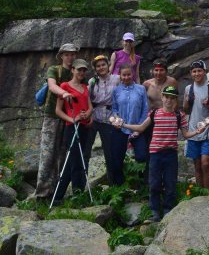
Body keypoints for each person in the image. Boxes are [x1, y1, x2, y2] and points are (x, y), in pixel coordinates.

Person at [118, 85, 206, 222]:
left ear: (176, 100)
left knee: (170, 183)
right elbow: (141, 128)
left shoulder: (179, 115)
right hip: (155, 154)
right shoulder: (154, 113)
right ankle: (154, 211)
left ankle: (167, 210)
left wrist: (197, 131)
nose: (169, 100)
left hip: (170, 154)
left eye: (172, 98)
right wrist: (124, 125)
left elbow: (186, 134)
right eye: (166, 97)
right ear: (162, 97)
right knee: (154, 183)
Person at [35, 42, 78, 200]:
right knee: (47, 154)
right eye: (67, 54)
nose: (70, 57)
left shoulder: (76, 72)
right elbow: (52, 86)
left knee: (62, 154)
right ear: (61, 56)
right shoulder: (54, 70)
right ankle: (41, 194)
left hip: (67, 119)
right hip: (52, 117)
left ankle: (56, 193)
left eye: (72, 54)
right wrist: (64, 93)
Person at [52, 59, 93, 204]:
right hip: (72, 128)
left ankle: (57, 197)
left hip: (84, 127)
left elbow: (89, 107)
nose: (81, 72)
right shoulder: (65, 86)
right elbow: (57, 110)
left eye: (83, 70)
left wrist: (86, 115)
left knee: (72, 162)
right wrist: (72, 119)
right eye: (79, 70)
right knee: (75, 162)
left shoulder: (85, 87)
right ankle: (77, 197)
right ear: (73, 70)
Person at [86, 55, 122, 185]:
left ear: (108, 65)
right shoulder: (92, 81)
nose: (101, 68)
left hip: (110, 117)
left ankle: (114, 184)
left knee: (110, 152)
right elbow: (87, 98)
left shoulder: (117, 79)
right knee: (86, 149)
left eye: (103, 65)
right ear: (95, 68)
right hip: (94, 117)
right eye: (98, 66)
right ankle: (82, 183)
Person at [110, 64, 150, 180]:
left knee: (142, 156)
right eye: (124, 75)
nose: (127, 77)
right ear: (120, 76)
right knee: (117, 160)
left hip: (137, 129)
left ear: (132, 74)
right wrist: (116, 119)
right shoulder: (116, 91)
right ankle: (120, 186)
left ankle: (143, 183)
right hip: (120, 129)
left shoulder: (140, 89)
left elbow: (145, 109)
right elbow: (114, 108)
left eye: (129, 74)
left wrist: (140, 127)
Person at [183, 64, 209, 191]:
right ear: (191, 73)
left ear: (205, 71)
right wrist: (187, 101)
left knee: (205, 163)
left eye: (199, 71)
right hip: (194, 130)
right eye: (194, 71)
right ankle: (200, 194)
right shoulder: (189, 88)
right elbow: (186, 110)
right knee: (197, 165)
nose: (197, 74)